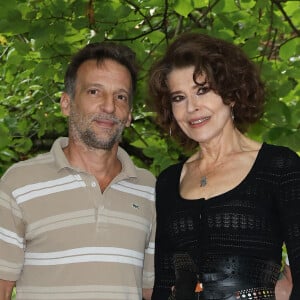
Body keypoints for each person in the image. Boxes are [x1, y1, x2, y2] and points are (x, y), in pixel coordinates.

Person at [148, 32, 299, 299]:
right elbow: (164, 283)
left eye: (202, 90)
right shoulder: (168, 182)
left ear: (231, 94)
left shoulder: (279, 166)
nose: (191, 107)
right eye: (178, 98)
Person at [0, 42, 156, 300]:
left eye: (120, 97)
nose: (109, 107)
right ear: (66, 104)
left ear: (128, 115)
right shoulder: (18, 183)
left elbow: (151, 290)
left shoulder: (149, 189)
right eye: (94, 91)